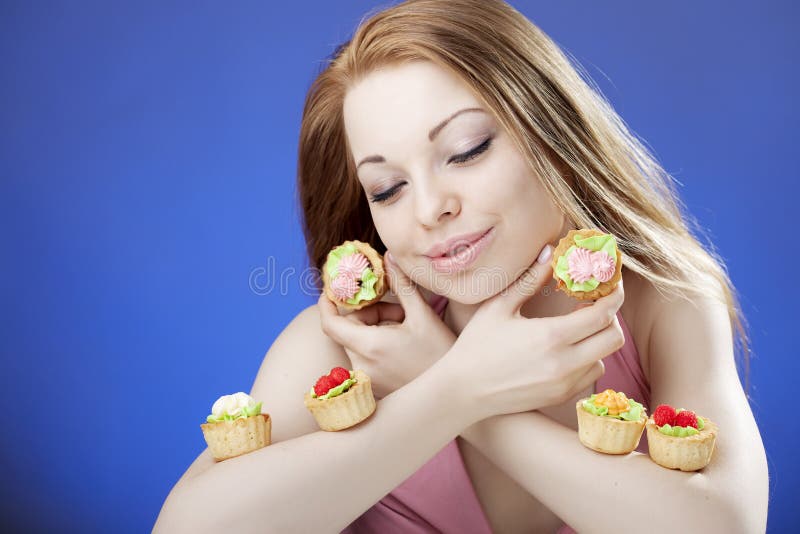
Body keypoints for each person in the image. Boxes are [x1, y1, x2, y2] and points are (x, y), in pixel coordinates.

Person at [154, 0, 768, 532]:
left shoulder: (665, 304)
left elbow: (726, 523)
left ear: (549, 129)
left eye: (466, 150)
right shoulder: (347, 349)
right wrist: (454, 389)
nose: (429, 209)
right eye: (388, 188)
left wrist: (468, 398)